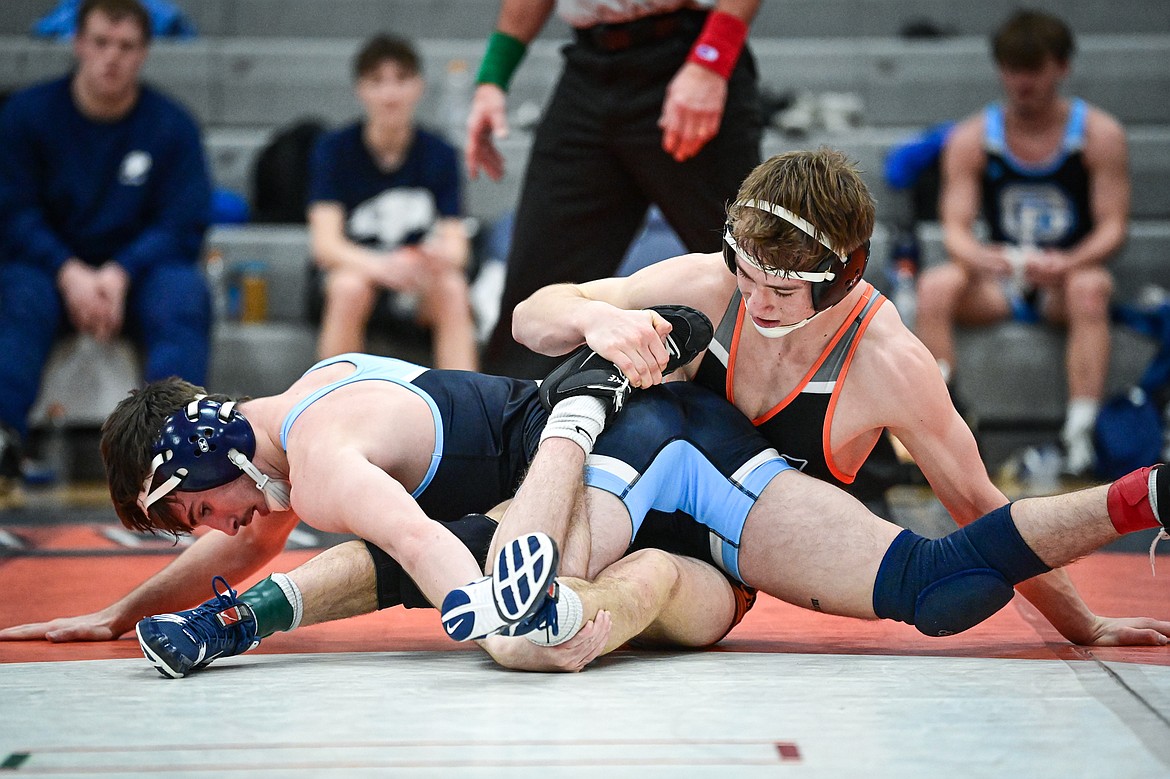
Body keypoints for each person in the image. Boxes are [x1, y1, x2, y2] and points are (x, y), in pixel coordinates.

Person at [508, 147, 1165, 647]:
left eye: (783, 290)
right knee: (499, 545)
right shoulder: (710, 283)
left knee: (943, 590)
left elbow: (977, 505)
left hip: (729, 565)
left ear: (843, 275)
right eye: (750, 275)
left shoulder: (888, 362)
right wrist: (593, 319)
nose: (758, 301)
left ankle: (1149, 492)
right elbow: (531, 315)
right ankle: (545, 609)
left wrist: (1084, 624)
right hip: (621, 497)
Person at [0, 307, 710, 674]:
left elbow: (421, 540)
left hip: (587, 464)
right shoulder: (306, 399)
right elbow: (250, 542)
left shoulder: (321, 460)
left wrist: (504, 638)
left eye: (198, 511)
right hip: (570, 455)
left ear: (208, 455)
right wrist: (122, 611)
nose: (218, 527)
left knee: (512, 584)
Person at [469, 0, 763, 378]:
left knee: (752, 264)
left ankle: (789, 419)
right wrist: (493, 76)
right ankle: (513, 427)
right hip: (591, 66)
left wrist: (711, 60)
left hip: (689, 52)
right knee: (537, 287)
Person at [0, 0, 212, 485]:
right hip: (49, 267)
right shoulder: (26, 116)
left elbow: (182, 222)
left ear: (144, 53)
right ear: (77, 44)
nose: (111, 57)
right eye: (100, 43)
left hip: (138, 273)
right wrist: (68, 271)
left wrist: (120, 272)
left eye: (126, 46)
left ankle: (171, 442)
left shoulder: (172, 126)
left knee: (183, 293)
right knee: (18, 293)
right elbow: (13, 214)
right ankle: (4, 438)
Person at [914, 9, 1129, 476]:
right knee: (934, 285)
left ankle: (1080, 433)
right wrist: (986, 257)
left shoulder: (1098, 135)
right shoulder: (974, 137)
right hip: (1003, 277)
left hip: (1063, 281)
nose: (1022, 82)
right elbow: (954, 228)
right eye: (1013, 70)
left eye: (1033, 69)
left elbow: (1113, 227)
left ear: (1061, 67)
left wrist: (1070, 261)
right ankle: (939, 426)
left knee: (1090, 286)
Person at [307, 34, 478, 370]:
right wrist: (383, 267)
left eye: (401, 80)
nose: (390, 94)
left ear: (419, 87)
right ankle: (330, 401)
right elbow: (325, 246)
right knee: (348, 287)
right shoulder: (333, 149)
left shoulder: (440, 153)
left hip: (416, 277)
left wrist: (429, 258)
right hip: (360, 270)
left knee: (453, 288)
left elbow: (458, 250)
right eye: (377, 81)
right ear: (360, 89)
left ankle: (469, 410)